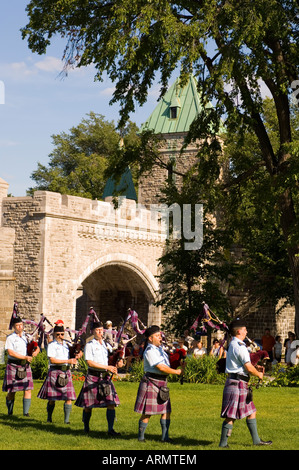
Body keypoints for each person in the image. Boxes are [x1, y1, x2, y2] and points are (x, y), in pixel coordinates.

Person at [219, 318, 272, 448]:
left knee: (251, 411)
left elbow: (243, 365)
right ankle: (223, 444)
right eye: (244, 329)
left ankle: (256, 440)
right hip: (237, 383)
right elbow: (248, 368)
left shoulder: (234, 344)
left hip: (239, 382)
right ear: (238, 331)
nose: (246, 331)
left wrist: (256, 368)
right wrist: (259, 374)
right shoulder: (239, 347)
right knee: (231, 416)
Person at [134, 325, 183, 442]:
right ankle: (141, 438)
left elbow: (167, 364)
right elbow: (161, 367)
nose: (160, 338)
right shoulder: (150, 351)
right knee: (147, 413)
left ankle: (165, 437)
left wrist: (179, 359)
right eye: (157, 336)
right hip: (152, 381)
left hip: (162, 383)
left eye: (160, 335)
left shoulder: (160, 350)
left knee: (166, 411)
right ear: (150, 338)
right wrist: (177, 372)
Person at [75, 320, 121, 437]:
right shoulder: (90, 345)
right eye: (98, 330)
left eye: (101, 330)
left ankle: (111, 429)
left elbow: (110, 359)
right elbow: (90, 363)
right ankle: (86, 428)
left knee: (111, 403)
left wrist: (117, 363)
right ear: (93, 332)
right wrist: (107, 367)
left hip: (105, 378)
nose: (100, 332)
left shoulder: (106, 345)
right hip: (93, 376)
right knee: (88, 406)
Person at [37, 322, 81, 424]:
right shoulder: (52, 345)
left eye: (62, 334)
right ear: (54, 334)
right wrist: (68, 361)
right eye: (58, 334)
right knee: (52, 398)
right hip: (55, 372)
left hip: (66, 372)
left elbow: (77, 353)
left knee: (68, 397)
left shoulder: (67, 345)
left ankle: (66, 421)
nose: (60, 336)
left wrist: (78, 354)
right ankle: (49, 418)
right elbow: (52, 360)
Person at [3, 316, 40, 416]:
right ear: (14, 327)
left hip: (25, 366)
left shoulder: (27, 337)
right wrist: (24, 357)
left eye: (21, 325)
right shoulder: (10, 338)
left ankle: (25, 413)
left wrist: (36, 352)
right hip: (13, 365)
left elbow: (36, 347)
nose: (20, 327)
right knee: (12, 390)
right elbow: (10, 352)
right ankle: (10, 412)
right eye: (17, 325)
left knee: (27, 389)